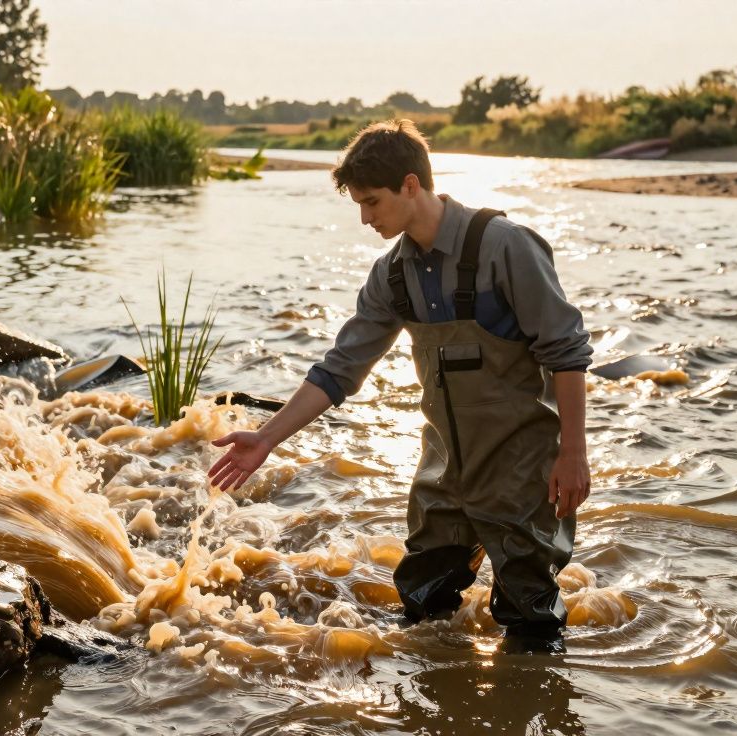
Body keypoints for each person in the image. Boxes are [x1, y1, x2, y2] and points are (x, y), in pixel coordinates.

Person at [207, 120, 593, 640]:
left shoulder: (506, 247)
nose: (365, 218)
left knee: (531, 623)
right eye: (359, 206)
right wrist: (268, 437)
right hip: (443, 476)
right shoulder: (391, 275)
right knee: (422, 616)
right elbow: (341, 368)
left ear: (411, 185)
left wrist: (573, 455)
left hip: (522, 474)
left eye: (372, 202)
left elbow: (567, 352)